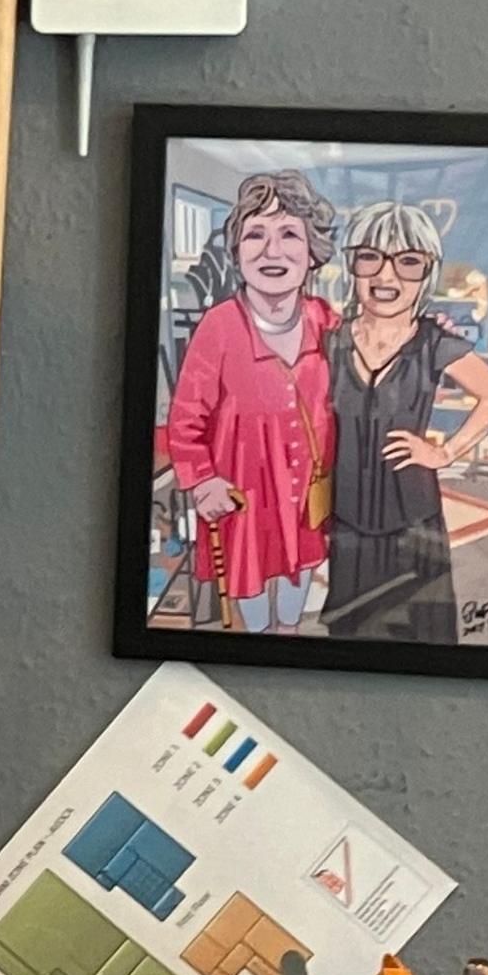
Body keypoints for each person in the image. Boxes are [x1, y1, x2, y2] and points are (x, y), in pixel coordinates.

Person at [321, 200, 488, 646]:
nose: (386, 277)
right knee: (347, 638)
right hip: (347, 525)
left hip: (415, 523)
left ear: (427, 272)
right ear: (352, 266)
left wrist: (444, 452)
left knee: (425, 639)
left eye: (408, 262)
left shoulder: (434, 342)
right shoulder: (330, 340)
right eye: (370, 257)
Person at [161, 170, 337, 634]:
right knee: (252, 587)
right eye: (255, 234)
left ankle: (291, 629)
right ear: (237, 251)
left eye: (288, 234)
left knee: (299, 569)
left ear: (312, 251)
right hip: (245, 493)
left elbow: (376, 352)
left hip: (306, 490)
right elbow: (185, 421)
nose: (272, 250)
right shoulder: (219, 327)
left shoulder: (328, 322)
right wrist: (202, 483)